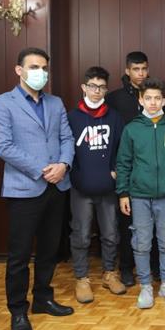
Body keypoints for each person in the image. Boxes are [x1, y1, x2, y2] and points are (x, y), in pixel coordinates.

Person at [0, 47, 75, 330]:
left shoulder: (55, 102)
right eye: (34, 67)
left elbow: (66, 137)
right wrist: (42, 169)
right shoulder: (1, 103)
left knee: (50, 249)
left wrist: (63, 164)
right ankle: (18, 310)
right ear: (19, 70)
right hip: (25, 188)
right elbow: (4, 146)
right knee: (20, 254)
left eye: (44, 68)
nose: (40, 73)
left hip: (57, 186)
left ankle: (43, 299)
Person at [115, 78, 165, 309]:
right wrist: (123, 193)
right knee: (142, 242)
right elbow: (123, 163)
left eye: (157, 98)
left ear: (164, 101)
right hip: (139, 196)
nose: (153, 102)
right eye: (148, 98)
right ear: (141, 100)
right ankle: (145, 286)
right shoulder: (132, 129)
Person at [67, 66, 126, 304]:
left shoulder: (114, 117)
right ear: (84, 87)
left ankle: (109, 273)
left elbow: (122, 148)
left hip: (108, 188)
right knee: (81, 235)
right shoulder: (72, 117)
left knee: (111, 234)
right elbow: (65, 149)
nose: (97, 91)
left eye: (101, 87)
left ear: (106, 89)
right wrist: (75, 175)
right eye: (92, 86)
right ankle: (82, 278)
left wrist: (116, 169)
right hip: (81, 188)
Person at [106, 51, 149, 287]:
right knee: (126, 221)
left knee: (150, 221)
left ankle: (151, 266)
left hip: (150, 168)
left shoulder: (154, 94)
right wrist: (113, 165)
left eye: (143, 69)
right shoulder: (115, 98)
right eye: (136, 69)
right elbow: (109, 134)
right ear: (127, 70)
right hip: (125, 167)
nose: (140, 74)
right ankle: (125, 268)